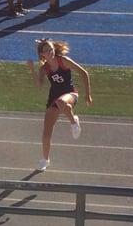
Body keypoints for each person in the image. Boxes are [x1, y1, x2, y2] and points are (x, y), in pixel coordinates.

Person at [27, 38, 92, 171]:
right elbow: (39, 85)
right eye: (45, 51)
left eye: (50, 49)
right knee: (46, 132)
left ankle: (74, 123)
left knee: (62, 102)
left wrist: (87, 94)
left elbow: (84, 73)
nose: (49, 52)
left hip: (70, 94)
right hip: (54, 98)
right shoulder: (44, 69)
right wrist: (32, 70)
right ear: (42, 54)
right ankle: (45, 160)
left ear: (54, 49)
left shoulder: (63, 61)